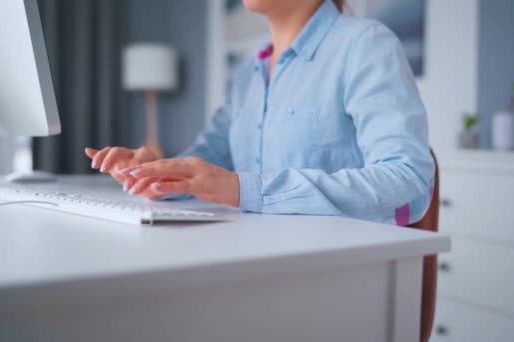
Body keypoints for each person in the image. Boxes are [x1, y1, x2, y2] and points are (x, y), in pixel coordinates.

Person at [85, 0, 435, 225]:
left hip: (338, 272)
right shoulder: (247, 74)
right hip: (255, 256)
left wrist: (242, 188)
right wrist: (153, 174)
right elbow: (207, 162)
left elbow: (409, 181)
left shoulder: (365, 45)